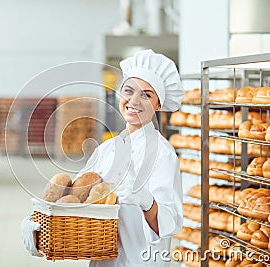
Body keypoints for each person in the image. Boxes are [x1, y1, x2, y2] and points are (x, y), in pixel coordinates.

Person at [21, 49, 184, 266]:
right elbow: (74, 201)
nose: (134, 101)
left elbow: (170, 223)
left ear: (158, 105)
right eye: (128, 91)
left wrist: (146, 201)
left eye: (146, 94)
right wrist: (41, 222)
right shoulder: (107, 150)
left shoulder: (163, 154)